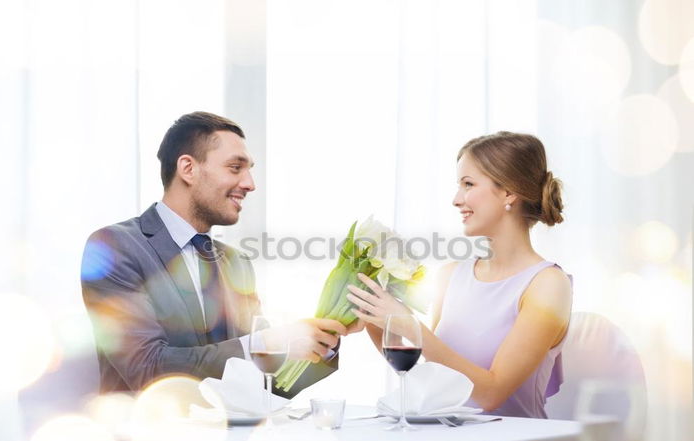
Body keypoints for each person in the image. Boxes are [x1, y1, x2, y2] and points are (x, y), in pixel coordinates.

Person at [81, 111, 359, 396]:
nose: (250, 184)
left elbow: (268, 384)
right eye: (235, 168)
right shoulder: (115, 247)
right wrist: (262, 344)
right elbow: (147, 368)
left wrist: (324, 337)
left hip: (229, 439)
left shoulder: (236, 263)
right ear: (188, 169)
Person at [347, 131, 573, 418]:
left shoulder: (548, 285)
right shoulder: (451, 275)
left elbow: (491, 394)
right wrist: (376, 319)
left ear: (509, 192)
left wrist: (409, 325)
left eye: (468, 184)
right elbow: (434, 380)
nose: (456, 199)